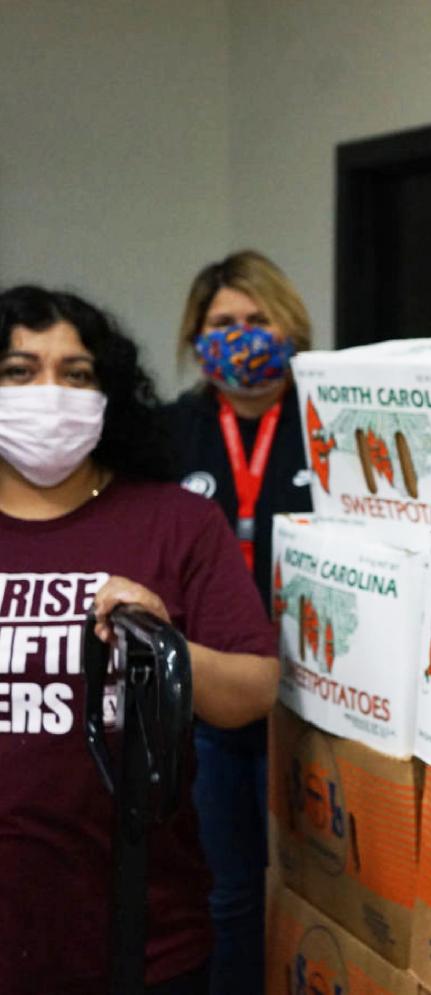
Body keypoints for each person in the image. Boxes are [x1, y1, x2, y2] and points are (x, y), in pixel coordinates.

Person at [0, 285, 279, 994]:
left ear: (110, 392)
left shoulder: (176, 520)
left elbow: (250, 691)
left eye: (77, 373)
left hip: (138, 941)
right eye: (20, 370)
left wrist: (164, 643)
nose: (50, 393)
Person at [162, 250, 314, 994]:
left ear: (291, 324)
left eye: (258, 319)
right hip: (215, 699)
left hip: (320, 701)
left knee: (320, 885)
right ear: (196, 337)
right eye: (224, 323)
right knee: (229, 891)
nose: (243, 335)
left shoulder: (329, 420)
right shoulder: (169, 433)